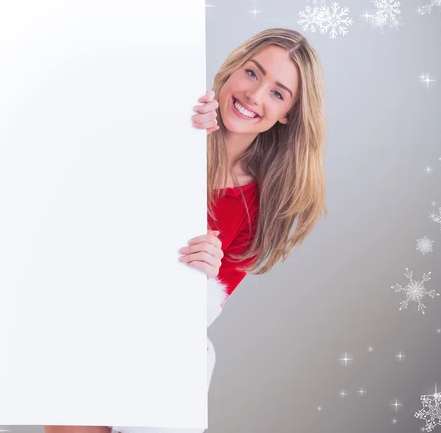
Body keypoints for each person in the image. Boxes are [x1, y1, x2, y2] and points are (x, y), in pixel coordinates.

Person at [44, 27, 328, 433]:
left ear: (287, 114)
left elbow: (200, 312)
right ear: (232, 70)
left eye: (278, 93)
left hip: (166, 357)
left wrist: (204, 276)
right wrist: (172, 128)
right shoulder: (166, 121)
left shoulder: (260, 205)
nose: (255, 94)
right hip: (93, 328)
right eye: (252, 73)